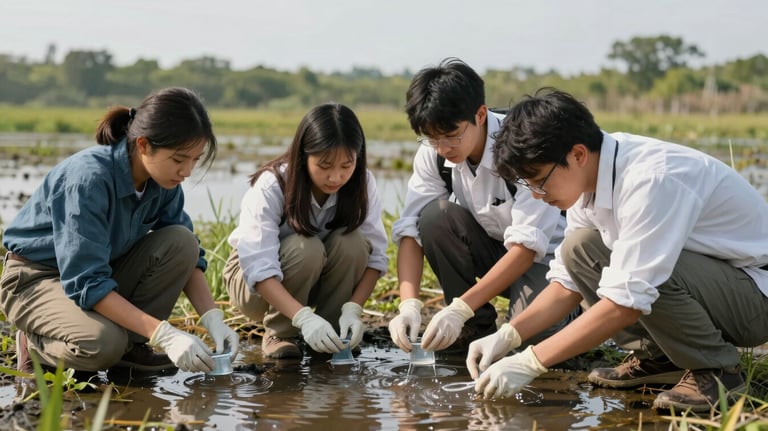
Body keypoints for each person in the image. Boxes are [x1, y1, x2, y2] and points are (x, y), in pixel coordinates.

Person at [468, 87, 768, 412]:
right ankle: (659, 358)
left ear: (578, 154)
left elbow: (626, 301)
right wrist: (510, 334)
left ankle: (718, 372)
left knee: (646, 272)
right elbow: (567, 282)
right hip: (717, 285)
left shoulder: (651, 180)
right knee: (577, 249)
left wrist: (531, 362)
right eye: (529, 185)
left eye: (540, 180)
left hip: (755, 299)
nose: (538, 195)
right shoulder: (591, 179)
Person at [1, 87, 240, 376]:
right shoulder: (88, 180)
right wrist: (164, 333)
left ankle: (131, 350)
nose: (187, 171)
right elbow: (85, 280)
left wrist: (213, 318)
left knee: (182, 242)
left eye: (195, 160)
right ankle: (37, 343)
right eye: (179, 159)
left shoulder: (163, 183)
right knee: (103, 344)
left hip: (96, 275)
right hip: (36, 279)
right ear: (143, 144)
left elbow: (190, 258)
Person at [388, 58, 580, 355]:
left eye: (452, 136)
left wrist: (458, 308)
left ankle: (573, 309)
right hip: (495, 250)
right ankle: (474, 325)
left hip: (547, 262)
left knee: (530, 342)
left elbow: (527, 247)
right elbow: (411, 229)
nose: (442, 148)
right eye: (432, 138)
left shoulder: (523, 146)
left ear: (480, 115)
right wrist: (409, 304)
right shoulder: (435, 153)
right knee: (435, 218)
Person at [223, 103, 388, 359]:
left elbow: (376, 257)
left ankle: (333, 331)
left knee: (353, 242)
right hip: (252, 284)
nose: (336, 176)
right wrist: (304, 318)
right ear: (303, 156)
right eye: (324, 165)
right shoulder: (273, 185)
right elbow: (259, 267)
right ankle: (281, 332)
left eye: (347, 165)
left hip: (313, 276)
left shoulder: (362, 184)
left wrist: (353, 309)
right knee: (306, 247)